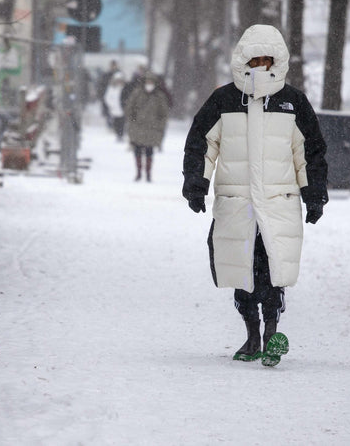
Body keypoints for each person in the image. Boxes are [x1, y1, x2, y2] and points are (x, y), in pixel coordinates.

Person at [181, 24, 328, 366]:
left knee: (272, 270)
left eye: (267, 59)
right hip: (238, 205)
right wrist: (196, 185)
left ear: (278, 60)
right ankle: (251, 336)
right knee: (243, 272)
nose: (261, 65)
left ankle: (272, 331)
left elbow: (309, 151)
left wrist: (315, 193)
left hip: (279, 205)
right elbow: (201, 145)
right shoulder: (224, 100)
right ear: (243, 59)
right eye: (255, 58)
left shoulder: (293, 102)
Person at [124, 72, 170, 182]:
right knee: (137, 150)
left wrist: (159, 125)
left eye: (151, 82)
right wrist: (133, 121)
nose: (149, 84)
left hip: (152, 128)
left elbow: (164, 113)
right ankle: (139, 172)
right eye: (147, 82)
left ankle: (148, 173)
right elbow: (129, 109)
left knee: (149, 151)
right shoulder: (137, 94)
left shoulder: (159, 96)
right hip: (138, 127)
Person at [103, 71, 126, 141]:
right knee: (116, 122)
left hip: (123, 109)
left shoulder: (124, 88)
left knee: (122, 122)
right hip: (114, 109)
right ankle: (118, 134)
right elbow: (107, 98)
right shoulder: (111, 88)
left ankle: (121, 135)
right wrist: (112, 105)